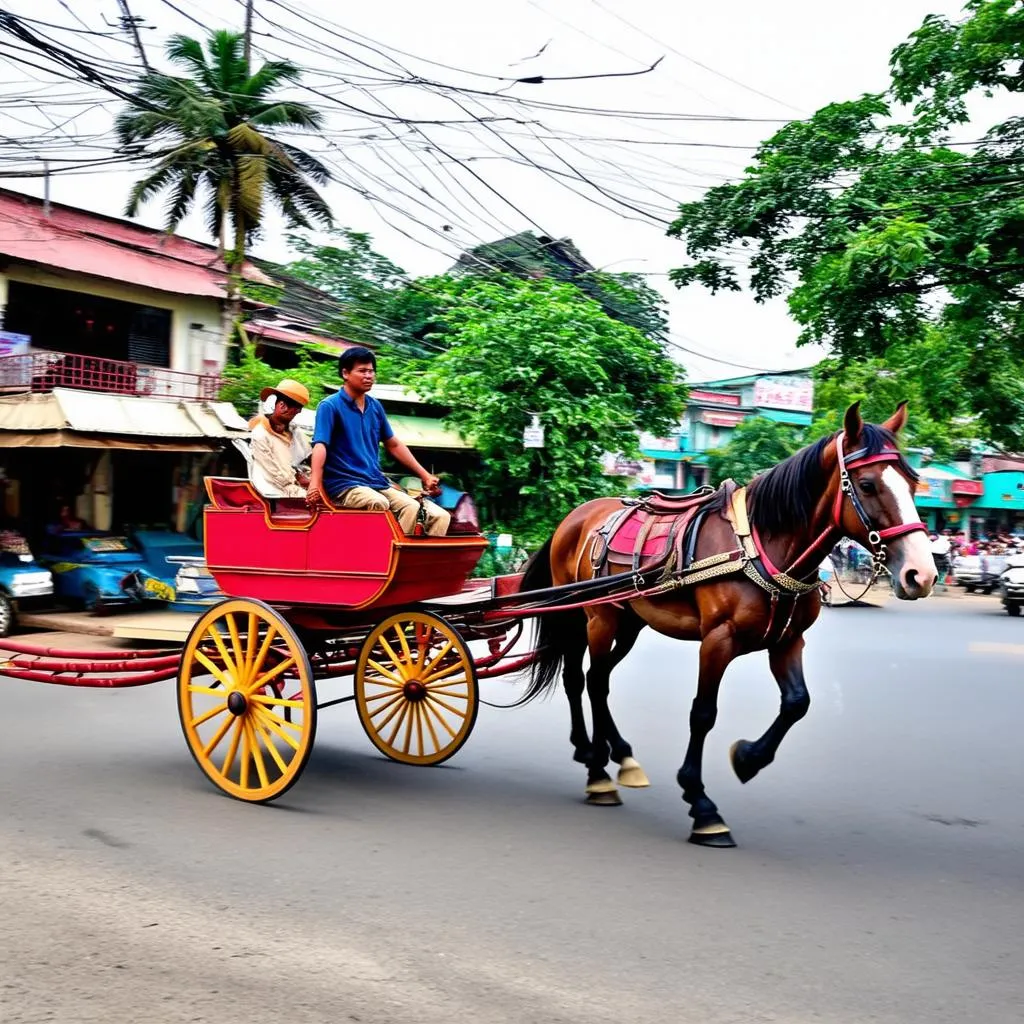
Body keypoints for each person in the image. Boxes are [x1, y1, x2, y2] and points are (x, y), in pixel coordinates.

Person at [306, 348, 451, 537]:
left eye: (371, 371)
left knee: (411, 506)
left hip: (375, 481)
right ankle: (376, 556)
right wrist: (315, 483)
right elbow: (320, 446)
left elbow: (394, 444)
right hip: (344, 485)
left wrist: (425, 475)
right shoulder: (330, 406)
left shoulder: (375, 407)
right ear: (345, 373)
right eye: (362, 371)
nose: (369, 376)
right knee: (378, 503)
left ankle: (401, 556)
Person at [249, 378, 312, 499]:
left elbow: (310, 456)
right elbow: (273, 473)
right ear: (282, 406)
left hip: (294, 486)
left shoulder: (295, 431)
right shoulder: (260, 434)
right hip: (273, 490)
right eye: (295, 411)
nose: (298, 413)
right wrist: (296, 482)